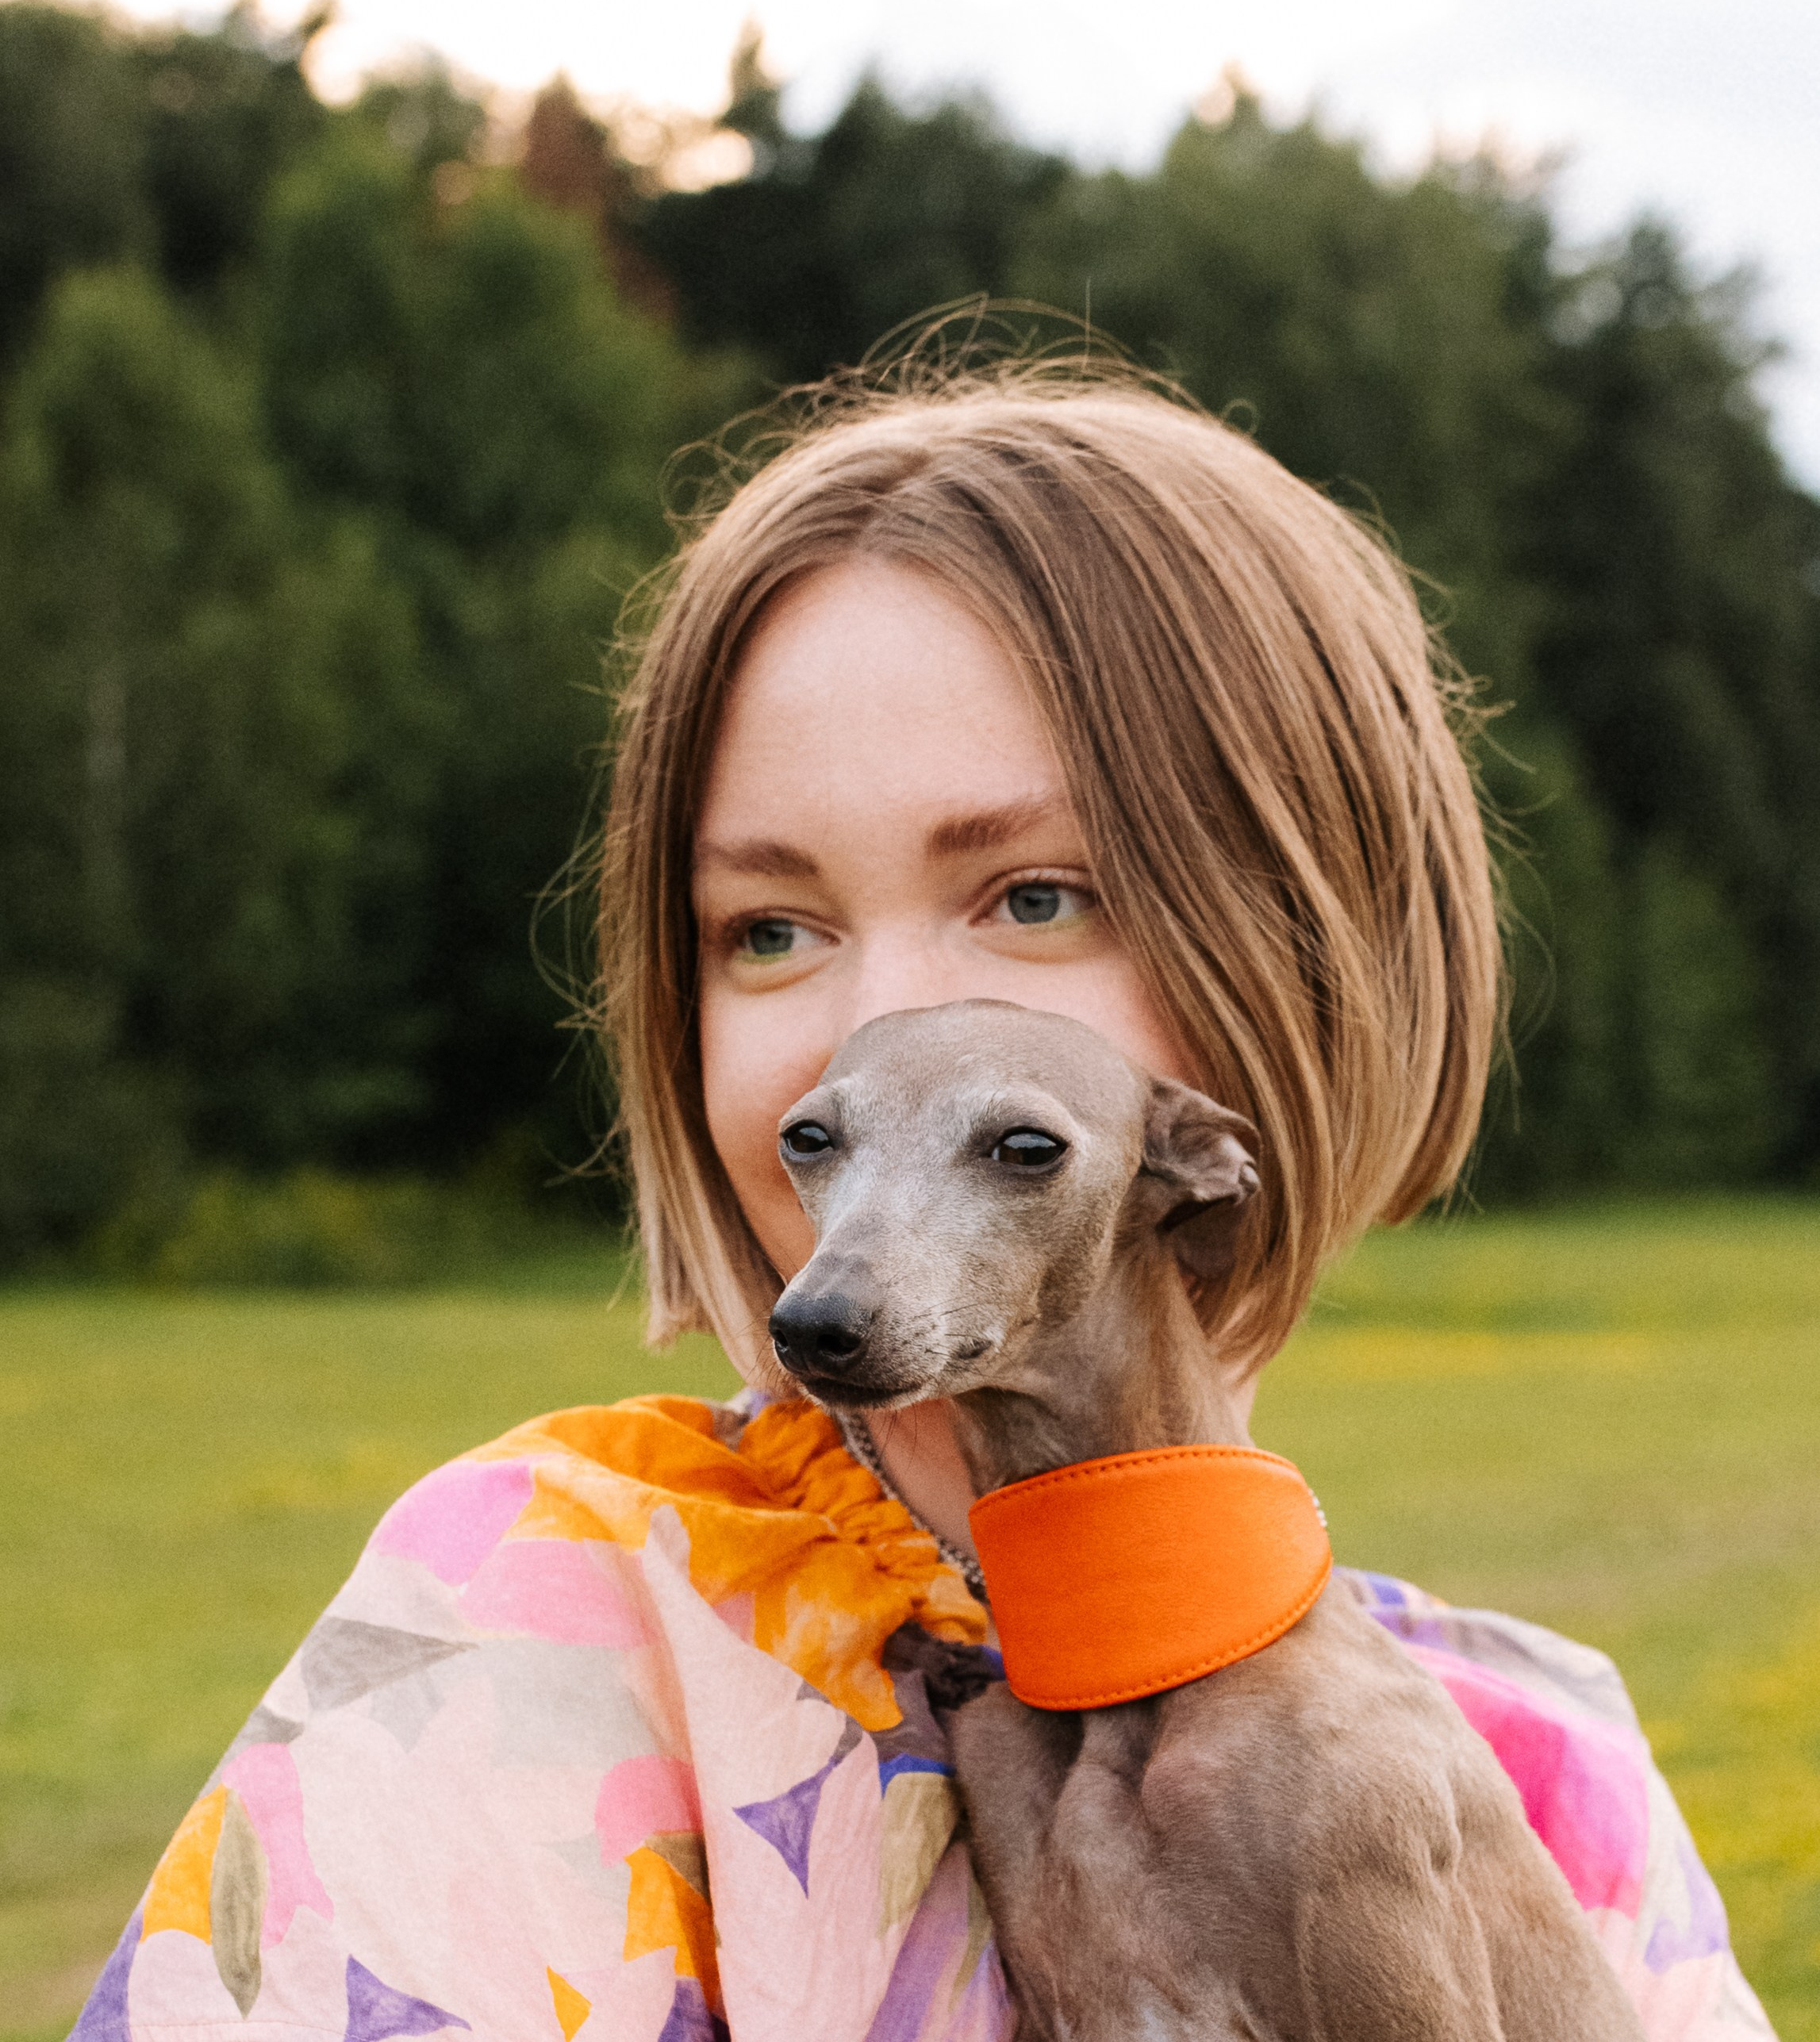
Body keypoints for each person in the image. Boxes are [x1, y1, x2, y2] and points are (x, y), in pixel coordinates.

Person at [77, 365, 1774, 2042]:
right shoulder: (547, 1632)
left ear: (1332, 961)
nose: (874, 1032)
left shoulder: (1547, 1754)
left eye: (1034, 894)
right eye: (768, 927)